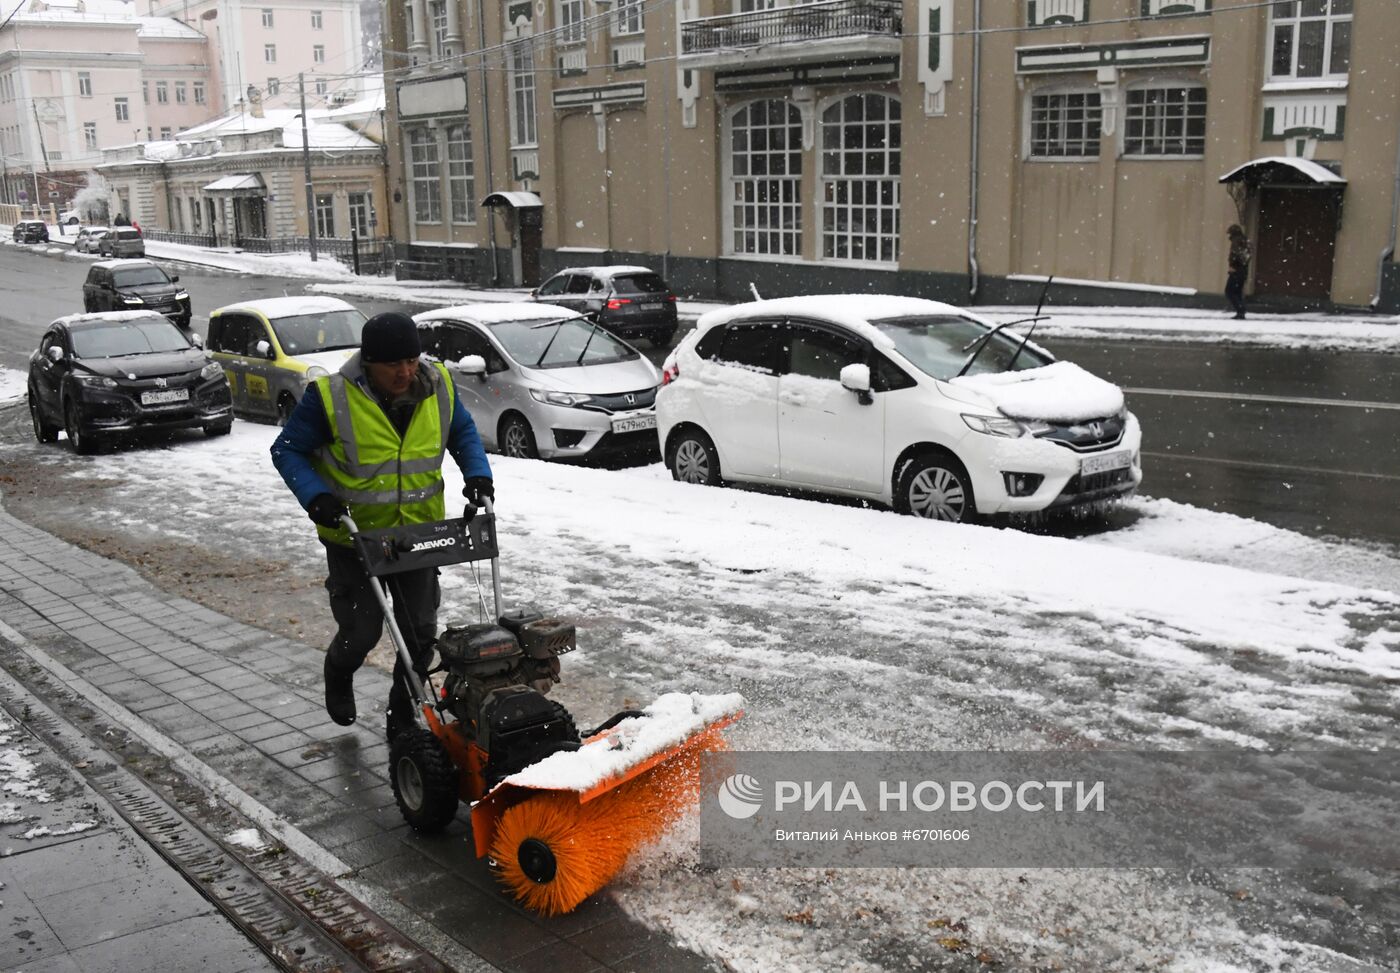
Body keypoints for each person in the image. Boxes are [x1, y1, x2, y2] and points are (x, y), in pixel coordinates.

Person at [270, 311, 494, 735]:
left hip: (418, 534)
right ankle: (339, 670)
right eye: (393, 365)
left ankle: (401, 705)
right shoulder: (330, 396)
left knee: (422, 632)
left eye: (411, 361)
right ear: (368, 362)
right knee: (362, 631)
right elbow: (288, 451)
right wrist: (316, 498)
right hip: (354, 538)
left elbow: (461, 431)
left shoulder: (439, 386)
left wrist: (477, 475)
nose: (405, 372)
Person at [1226, 224, 1251, 320]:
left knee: (1229, 291)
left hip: (1237, 271)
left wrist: (1233, 266)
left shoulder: (1236, 241)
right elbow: (1246, 257)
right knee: (1237, 291)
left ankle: (1240, 310)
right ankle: (1241, 311)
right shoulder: (1245, 241)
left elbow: (1236, 255)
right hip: (1243, 271)